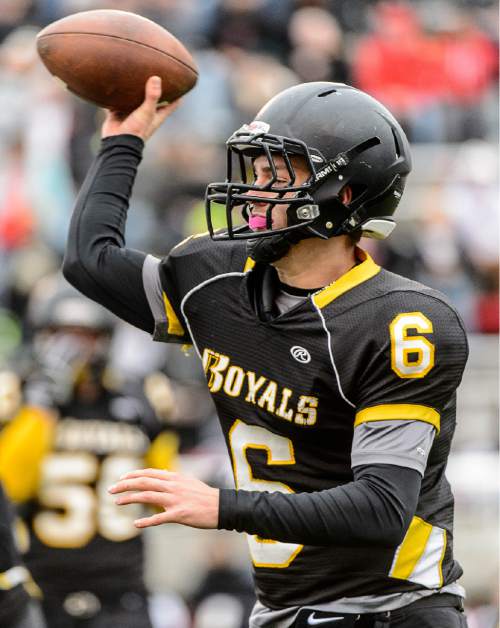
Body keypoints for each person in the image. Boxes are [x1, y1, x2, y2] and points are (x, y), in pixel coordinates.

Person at [63, 77, 469, 628]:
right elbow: (90, 260)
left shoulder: (401, 323)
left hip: (391, 612)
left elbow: (382, 508)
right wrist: (121, 143)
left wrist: (222, 507)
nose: (254, 188)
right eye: (254, 169)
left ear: (342, 194)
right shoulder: (217, 280)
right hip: (282, 609)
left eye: (276, 173)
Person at [0, 274, 178, 628]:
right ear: (42, 337)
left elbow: (164, 499)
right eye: (61, 336)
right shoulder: (19, 397)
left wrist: (161, 427)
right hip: (43, 590)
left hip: (121, 592)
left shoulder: (136, 398)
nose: (73, 350)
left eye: (84, 336)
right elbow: (11, 487)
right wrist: (42, 406)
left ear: (104, 340)